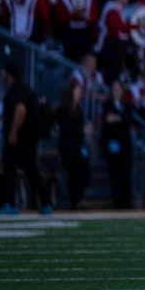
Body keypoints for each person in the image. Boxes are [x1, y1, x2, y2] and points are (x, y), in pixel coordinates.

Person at [0, 61, 49, 215]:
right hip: (29, 139)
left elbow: (20, 110)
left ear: (10, 74)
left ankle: (10, 204)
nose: (2, 75)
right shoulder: (26, 89)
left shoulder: (16, 90)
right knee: (32, 172)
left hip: (18, 139)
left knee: (10, 172)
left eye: (4, 72)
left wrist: (13, 132)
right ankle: (46, 203)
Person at [99, 80, 135, 209]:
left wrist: (117, 117)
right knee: (115, 172)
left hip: (124, 142)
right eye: (114, 90)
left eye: (118, 90)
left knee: (125, 172)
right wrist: (119, 118)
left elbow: (127, 119)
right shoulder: (107, 105)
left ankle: (127, 200)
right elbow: (108, 119)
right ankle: (118, 201)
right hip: (112, 141)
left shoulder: (126, 105)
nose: (117, 92)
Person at [55, 81, 91, 209]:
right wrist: (81, 128)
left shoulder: (79, 108)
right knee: (72, 174)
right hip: (68, 146)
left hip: (79, 146)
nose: (80, 94)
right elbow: (65, 128)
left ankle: (78, 198)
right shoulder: (63, 109)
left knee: (85, 174)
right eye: (77, 91)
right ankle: (74, 201)